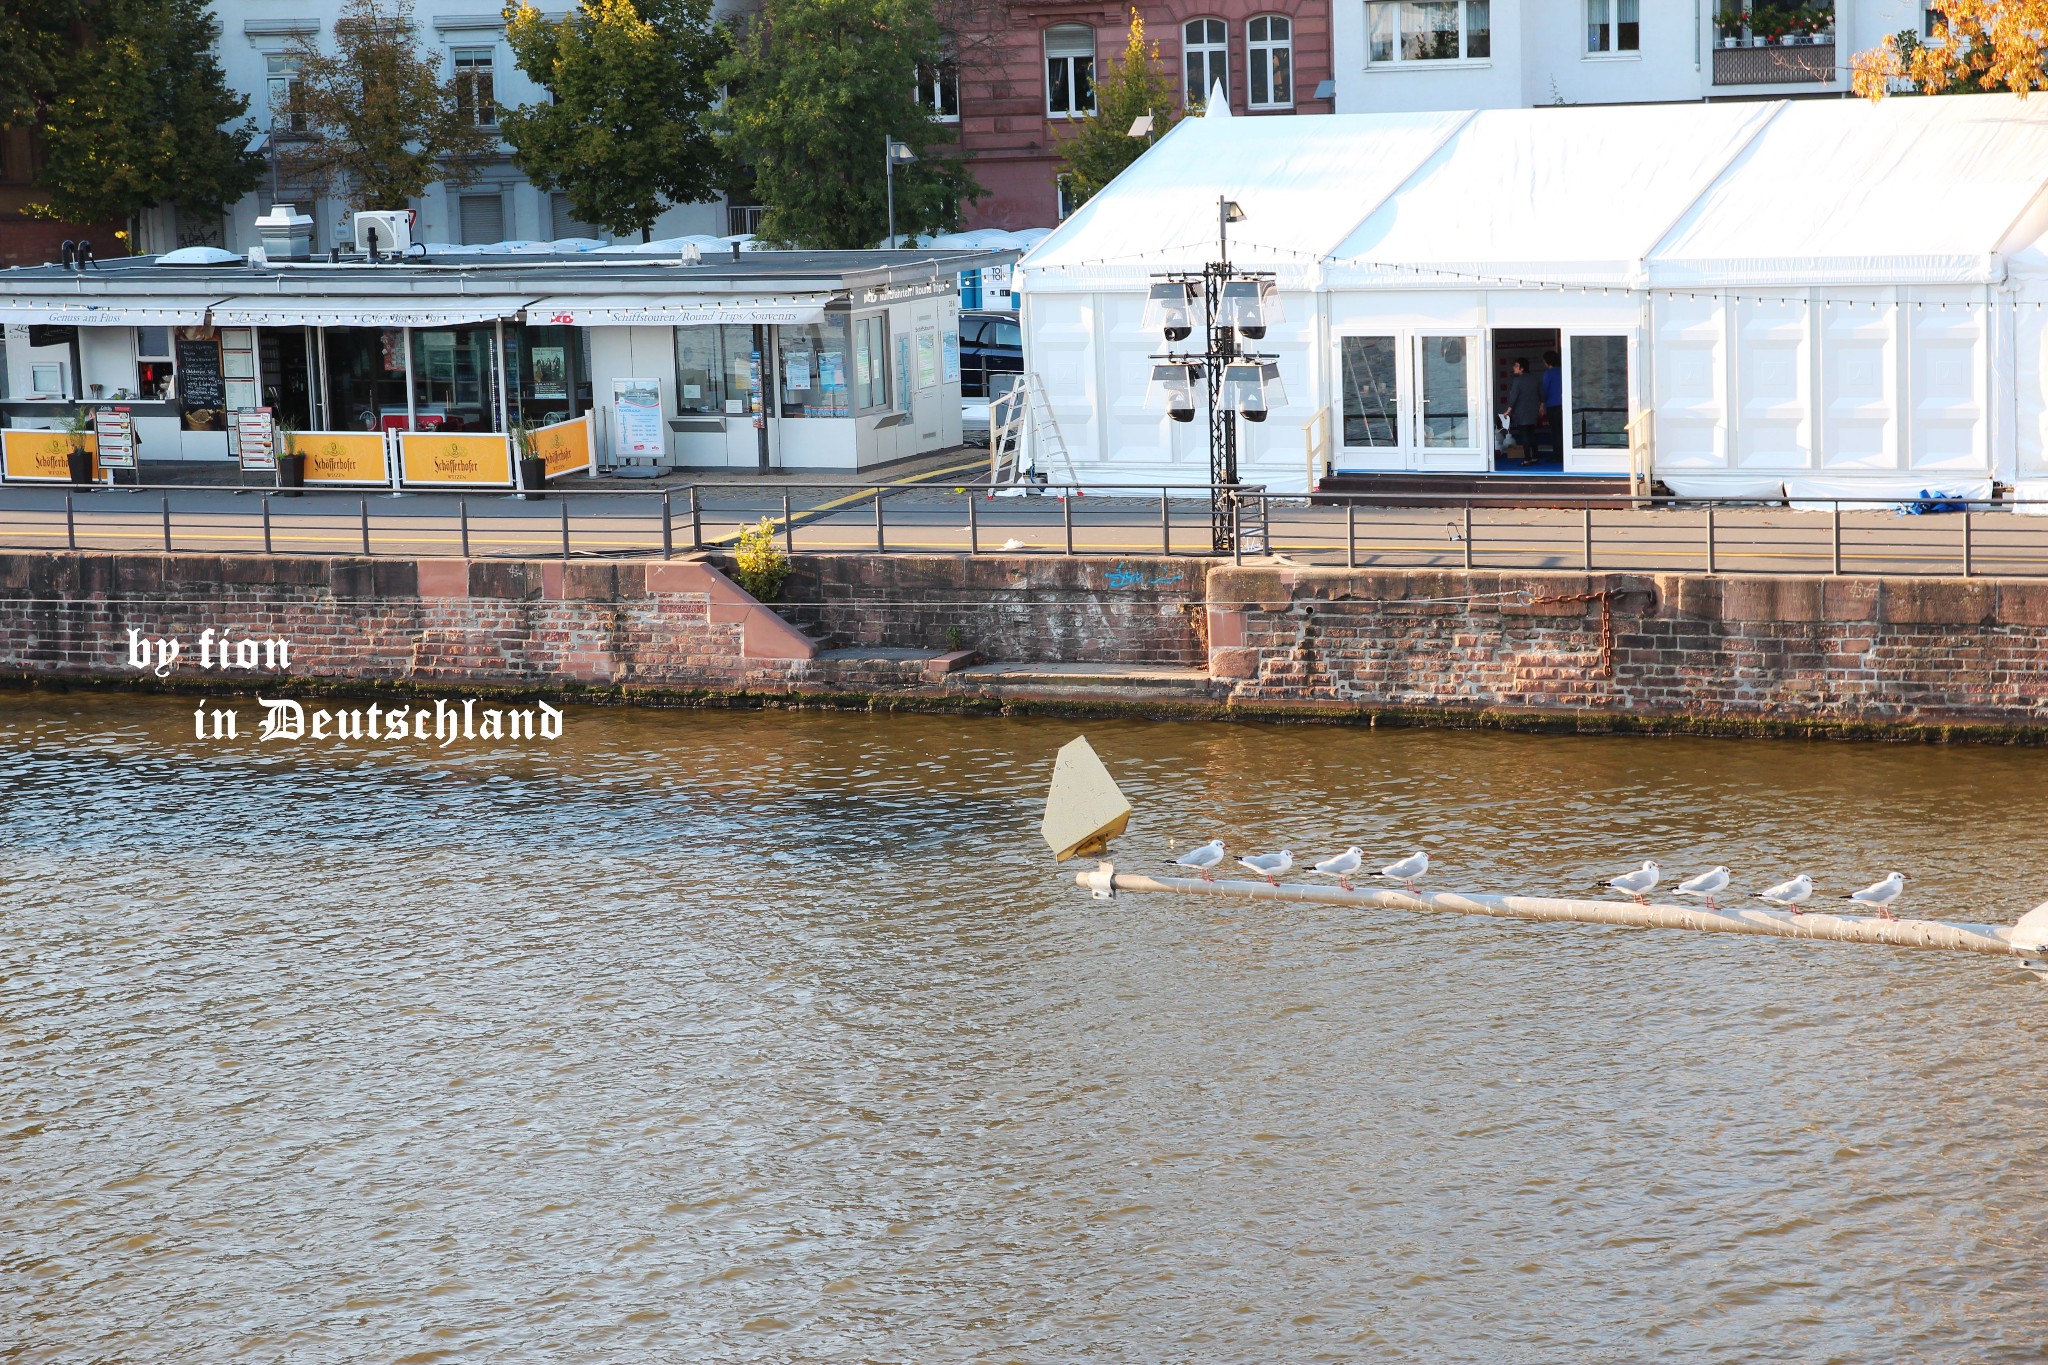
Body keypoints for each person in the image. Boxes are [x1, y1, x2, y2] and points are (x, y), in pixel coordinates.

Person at [1501, 358, 1543, 466]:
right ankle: (1535, 456)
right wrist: (1541, 407)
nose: (1514, 367)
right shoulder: (1535, 379)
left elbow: (1513, 397)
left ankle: (1527, 459)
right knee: (1532, 434)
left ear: (1522, 368)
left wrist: (1508, 410)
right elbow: (1542, 394)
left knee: (1524, 435)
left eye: (1516, 365)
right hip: (1533, 410)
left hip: (1521, 411)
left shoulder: (1517, 381)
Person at [1540, 349, 1564, 461]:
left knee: (1555, 431)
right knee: (1562, 430)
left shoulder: (1548, 373)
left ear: (1547, 361)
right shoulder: (1562, 371)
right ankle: (1565, 453)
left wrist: (1541, 404)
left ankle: (1558, 455)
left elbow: (1544, 390)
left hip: (1552, 406)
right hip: (1563, 405)